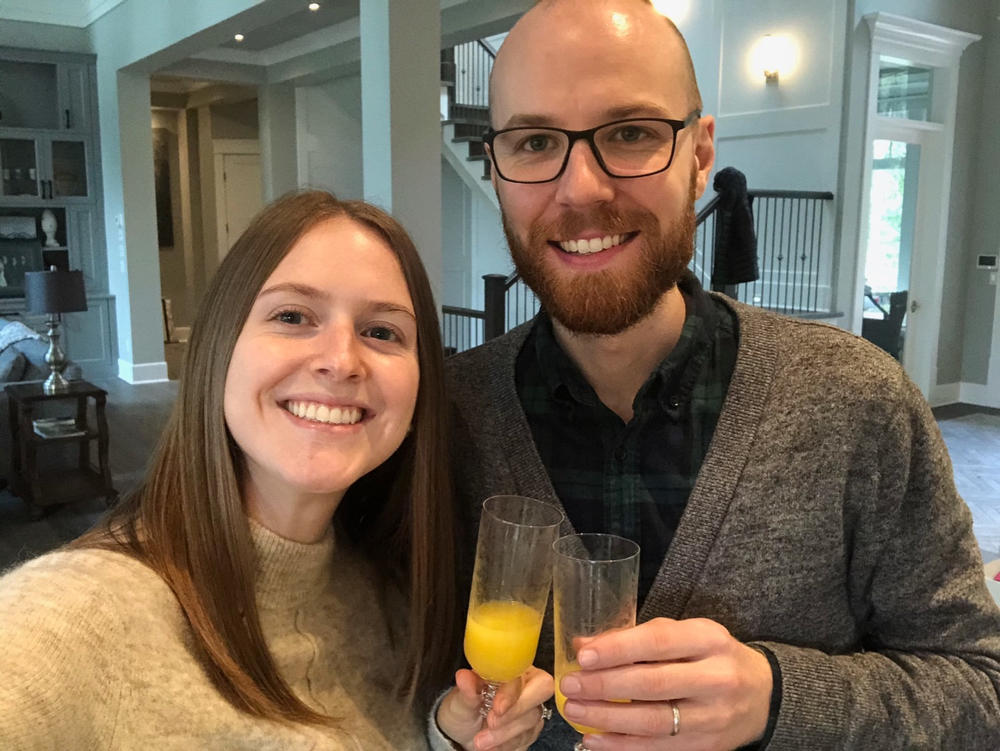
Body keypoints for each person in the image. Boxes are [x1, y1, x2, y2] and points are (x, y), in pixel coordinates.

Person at [445, 1, 1000, 749]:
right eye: (536, 141)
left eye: (631, 133)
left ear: (701, 153)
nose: (579, 189)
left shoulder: (856, 401)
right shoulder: (444, 417)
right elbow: (383, 678)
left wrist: (777, 698)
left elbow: (980, 684)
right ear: (498, 164)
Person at [0, 191, 548, 750]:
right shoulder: (71, 617)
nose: (340, 360)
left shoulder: (390, 599)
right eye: (292, 316)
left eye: (382, 332)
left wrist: (446, 737)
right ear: (219, 348)